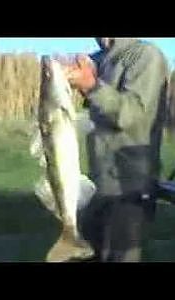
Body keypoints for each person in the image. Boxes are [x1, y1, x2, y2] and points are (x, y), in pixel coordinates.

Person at [64, 38, 169, 262]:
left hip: (129, 189)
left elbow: (133, 115)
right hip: (97, 186)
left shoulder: (145, 55)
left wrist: (92, 87)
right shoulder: (100, 59)